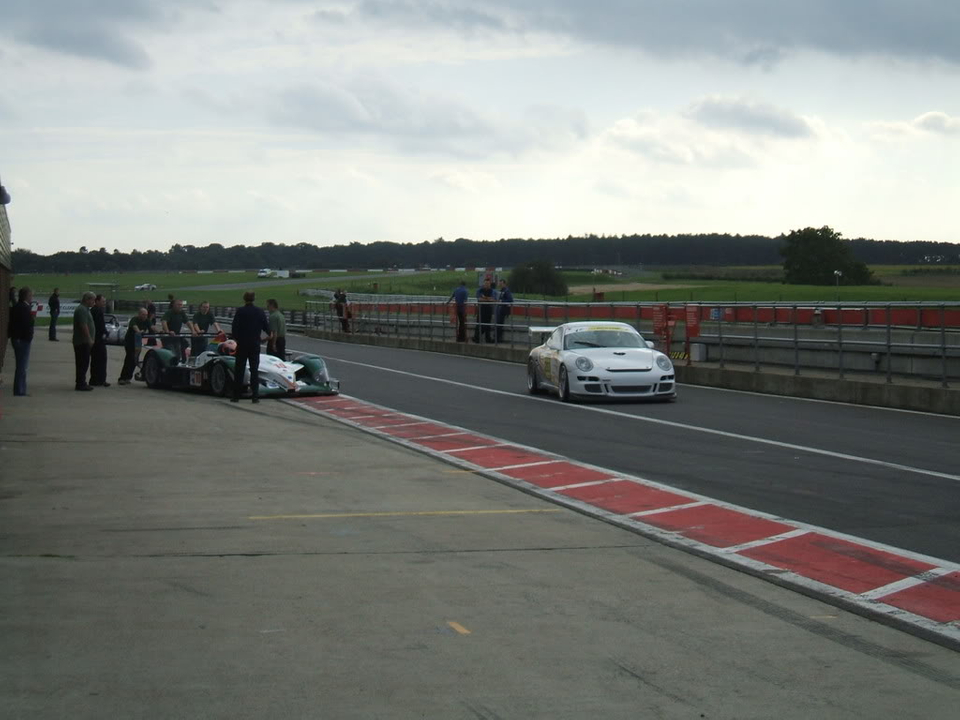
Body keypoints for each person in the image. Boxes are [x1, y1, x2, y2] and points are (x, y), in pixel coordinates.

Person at [230, 291, 269, 403]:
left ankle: (236, 395)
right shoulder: (260, 311)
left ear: (244, 299)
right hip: (255, 344)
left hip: (242, 344)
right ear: (254, 299)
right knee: (254, 370)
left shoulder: (240, 311)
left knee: (239, 370)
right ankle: (255, 396)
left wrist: (238, 338)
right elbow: (266, 327)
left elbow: (234, 328)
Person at [8, 286, 34, 396]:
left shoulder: (18, 306)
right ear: (27, 296)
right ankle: (19, 390)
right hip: (22, 340)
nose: (32, 298)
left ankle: (21, 389)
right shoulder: (23, 308)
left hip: (19, 339)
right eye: (31, 295)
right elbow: (25, 325)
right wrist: (28, 337)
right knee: (22, 366)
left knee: (22, 366)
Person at [118, 307, 152, 385]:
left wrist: (160, 331)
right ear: (139, 314)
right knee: (129, 358)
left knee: (135, 360)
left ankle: (128, 377)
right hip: (129, 342)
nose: (145, 316)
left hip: (137, 343)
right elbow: (134, 327)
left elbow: (152, 327)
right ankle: (122, 377)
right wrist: (139, 331)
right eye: (143, 315)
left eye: (146, 315)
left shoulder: (147, 320)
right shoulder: (134, 319)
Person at [72, 291, 96, 391]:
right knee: (82, 362)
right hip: (82, 341)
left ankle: (81, 381)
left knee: (84, 362)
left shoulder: (85, 309)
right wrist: (89, 338)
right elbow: (83, 325)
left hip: (83, 341)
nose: (93, 302)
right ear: (87, 299)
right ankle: (80, 383)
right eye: (93, 300)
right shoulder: (82, 310)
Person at [89, 294, 110, 387]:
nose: (104, 303)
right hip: (98, 339)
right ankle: (99, 379)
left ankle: (96, 379)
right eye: (102, 301)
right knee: (100, 359)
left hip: (95, 338)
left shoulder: (93, 310)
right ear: (97, 301)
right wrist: (105, 332)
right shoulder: (97, 311)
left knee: (96, 360)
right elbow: (99, 325)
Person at [161, 297, 190, 363]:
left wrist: (193, 331)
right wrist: (167, 331)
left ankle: (177, 366)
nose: (180, 306)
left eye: (181, 305)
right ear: (173, 305)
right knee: (172, 353)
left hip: (176, 337)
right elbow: (164, 321)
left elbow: (188, 322)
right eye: (178, 304)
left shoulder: (182, 313)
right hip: (167, 338)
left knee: (178, 354)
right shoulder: (169, 312)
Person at [473, 278, 497, 343]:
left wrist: (484, 298)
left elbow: (494, 300)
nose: (487, 285)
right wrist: (488, 299)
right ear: (483, 284)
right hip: (481, 309)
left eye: (488, 284)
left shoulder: (493, 291)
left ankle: (488, 338)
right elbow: (479, 299)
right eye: (485, 283)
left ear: (490, 284)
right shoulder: (479, 290)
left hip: (489, 309)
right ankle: (476, 338)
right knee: (479, 324)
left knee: (487, 325)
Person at [495, 278, 513, 343]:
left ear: (504, 283)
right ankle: (497, 337)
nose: (500, 284)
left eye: (501, 283)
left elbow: (510, 300)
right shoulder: (501, 290)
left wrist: (501, 301)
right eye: (500, 283)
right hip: (500, 309)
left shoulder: (506, 291)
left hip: (503, 310)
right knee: (498, 324)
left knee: (499, 324)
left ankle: (498, 338)